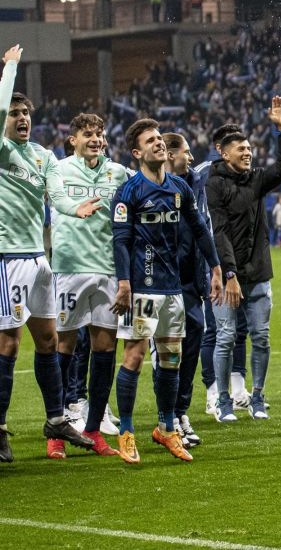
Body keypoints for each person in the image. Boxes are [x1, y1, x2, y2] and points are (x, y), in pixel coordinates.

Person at [0, 44, 102, 463]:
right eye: (14, 113)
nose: (22, 119)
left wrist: (72, 207)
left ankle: (56, 418)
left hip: (39, 260)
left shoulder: (42, 155)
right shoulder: (2, 152)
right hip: (7, 258)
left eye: (26, 113)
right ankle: (0, 427)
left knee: (47, 339)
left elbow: (56, 194)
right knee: (8, 344)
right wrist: (9, 69)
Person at [110, 118, 224, 464]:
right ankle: (127, 433)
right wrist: (124, 282)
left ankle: (166, 427)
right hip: (142, 289)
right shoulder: (129, 192)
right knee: (133, 356)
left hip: (174, 288)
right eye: (150, 140)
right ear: (137, 152)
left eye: (160, 138)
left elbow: (201, 229)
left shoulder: (179, 187)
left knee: (171, 359)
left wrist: (216, 267)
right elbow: (121, 241)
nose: (159, 143)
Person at [206, 96, 281, 422]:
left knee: (261, 336)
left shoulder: (257, 179)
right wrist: (229, 274)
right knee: (226, 337)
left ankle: (258, 396)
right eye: (240, 149)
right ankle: (223, 401)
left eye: (249, 148)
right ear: (223, 151)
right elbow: (220, 232)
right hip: (229, 275)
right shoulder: (214, 184)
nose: (247, 152)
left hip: (258, 274)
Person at [50, 113, 130, 459]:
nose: (95, 139)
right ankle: (56, 429)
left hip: (108, 269)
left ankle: (94, 429)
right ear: (73, 140)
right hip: (70, 268)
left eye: (99, 134)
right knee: (64, 346)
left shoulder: (118, 173)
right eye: (87, 134)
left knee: (104, 349)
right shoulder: (58, 169)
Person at [152, 132, 214, 448]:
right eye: (186, 152)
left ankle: (180, 412)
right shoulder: (152, 187)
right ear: (170, 154)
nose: (190, 158)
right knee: (165, 351)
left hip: (190, 282)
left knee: (193, 342)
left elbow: (202, 231)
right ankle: (167, 418)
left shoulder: (191, 187)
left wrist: (214, 270)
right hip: (161, 282)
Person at [195, 124, 252, 414]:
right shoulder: (201, 174)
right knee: (214, 329)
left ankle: (239, 388)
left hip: (239, 260)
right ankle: (213, 392)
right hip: (211, 262)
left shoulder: (244, 175)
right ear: (220, 149)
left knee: (239, 327)